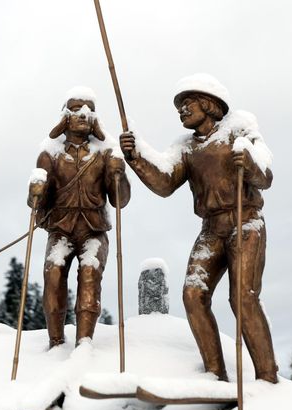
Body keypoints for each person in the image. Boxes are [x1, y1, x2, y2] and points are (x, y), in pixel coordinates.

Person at [119, 73, 278, 383]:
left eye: (187, 104)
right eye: (180, 107)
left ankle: (267, 376)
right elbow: (164, 182)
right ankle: (215, 375)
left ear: (209, 104)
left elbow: (266, 176)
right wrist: (135, 155)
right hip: (211, 229)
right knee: (193, 294)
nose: (182, 110)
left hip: (245, 222)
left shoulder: (239, 130)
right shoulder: (186, 148)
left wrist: (249, 161)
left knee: (242, 297)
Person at [29, 87, 130, 348]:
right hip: (61, 229)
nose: (83, 115)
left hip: (93, 230)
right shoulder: (49, 154)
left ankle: (84, 343)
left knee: (90, 273)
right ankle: (56, 341)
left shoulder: (105, 154)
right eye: (76, 110)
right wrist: (36, 192)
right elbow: (36, 202)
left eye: (88, 111)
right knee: (53, 274)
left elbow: (120, 201)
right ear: (65, 118)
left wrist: (119, 174)